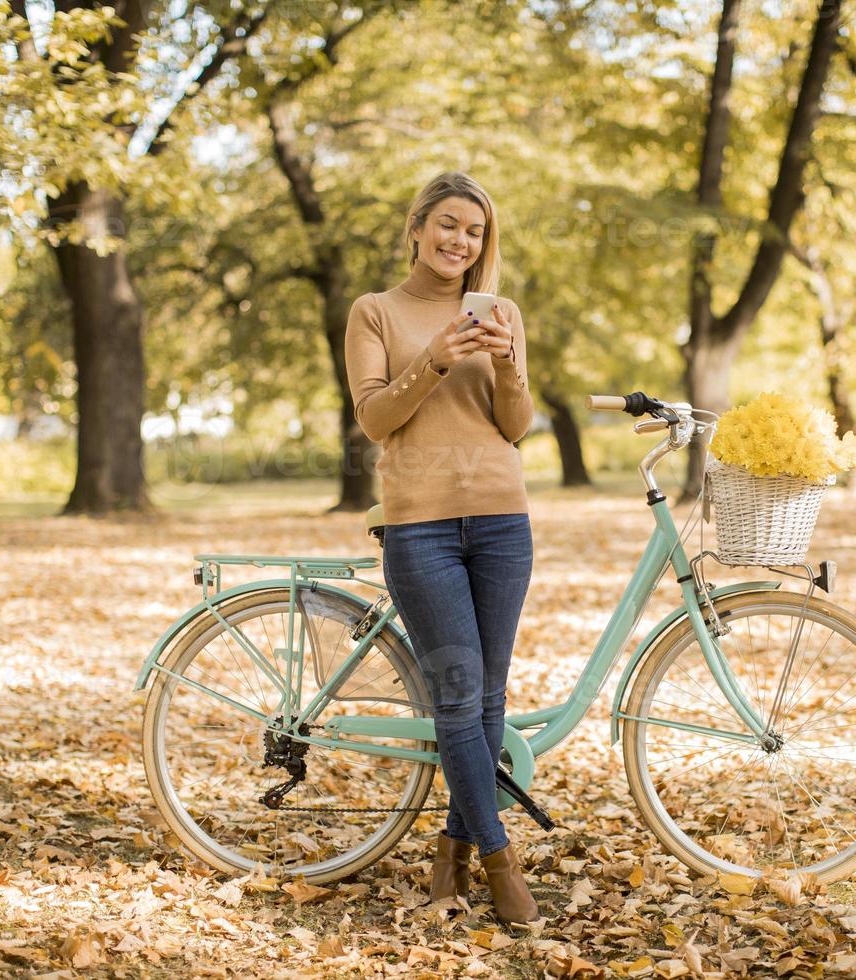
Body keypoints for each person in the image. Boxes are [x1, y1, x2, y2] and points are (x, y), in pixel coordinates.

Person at [342, 171, 542, 924]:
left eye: (476, 231)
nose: (462, 241)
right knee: (458, 696)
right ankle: (500, 863)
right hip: (419, 527)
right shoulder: (375, 312)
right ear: (418, 227)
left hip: (501, 522)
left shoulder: (501, 312)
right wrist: (434, 357)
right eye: (449, 225)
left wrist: (506, 360)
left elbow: (515, 424)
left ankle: (453, 850)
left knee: (489, 697)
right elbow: (374, 418)